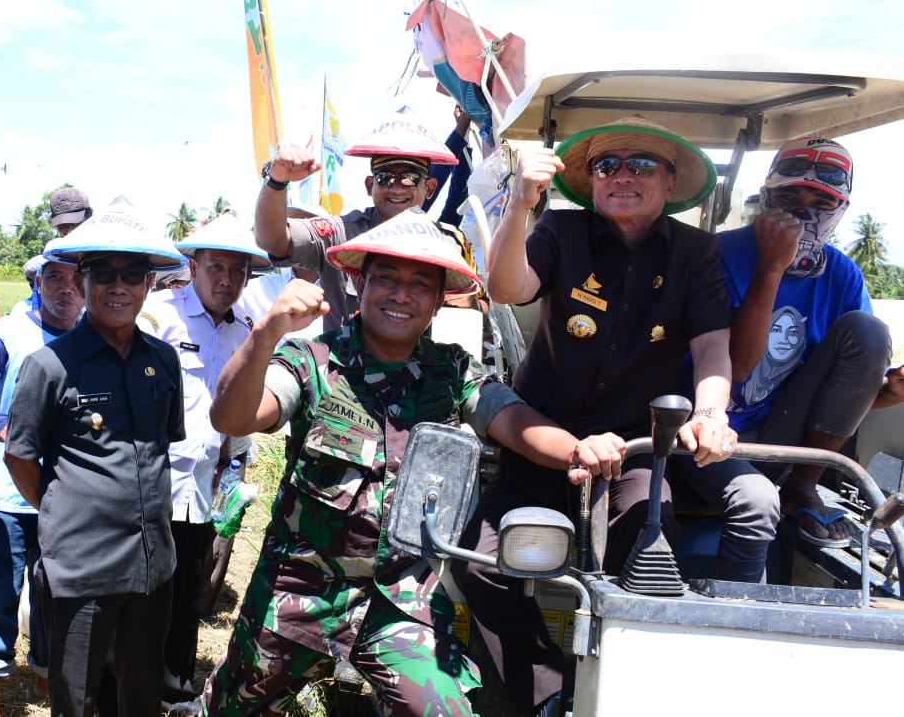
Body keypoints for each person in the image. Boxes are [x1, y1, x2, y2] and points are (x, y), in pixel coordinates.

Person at [200, 211, 627, 716]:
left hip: (399, 600)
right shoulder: (313, 360)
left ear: (439, 299)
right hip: (297, 595)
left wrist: (577, 449)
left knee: (442, 709)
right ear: (361, 284)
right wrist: (265, 333)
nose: (401, 295)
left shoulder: (451, 372)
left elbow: (514, 421)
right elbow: (234, 417)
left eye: (420, 284)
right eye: (386, 279)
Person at [455, 117, 741, 713]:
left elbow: (713, 347)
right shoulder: (561, 230)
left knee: (648, 551)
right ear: (591, 181)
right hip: (544, 439)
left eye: (642, 166)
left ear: (670, 184)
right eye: (609, 165)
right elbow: (508, 287)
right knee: (481, 560)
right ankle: (554, 694)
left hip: (635, 451)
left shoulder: (696, 252)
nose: (622, 176)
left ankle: (635, 693)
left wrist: (712, 412)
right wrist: (518, 207)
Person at [3, 203, 187, 717]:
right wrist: (68, 512)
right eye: (103, 273)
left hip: (152, 564)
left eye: (132, 275)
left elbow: (162, 448)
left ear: (149, 283)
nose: (118, 286)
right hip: (81, 568)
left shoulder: (162, 360)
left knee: (141, 696)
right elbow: (21, 459)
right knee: (77, 699)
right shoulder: (49, 366)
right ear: (82, 281)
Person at [714, 136, 904, 547]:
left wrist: (889, 391)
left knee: (869, 331)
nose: (803, 213)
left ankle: (804, 484)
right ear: (766, 197)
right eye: (788, 197)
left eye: (821, 203)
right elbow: (737, 369)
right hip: (708, 432)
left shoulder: (843, 275)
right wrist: (771, 268)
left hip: (783, 435)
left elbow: (844, 391)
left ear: (841, 211)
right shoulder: (717, 255)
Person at [135, 212, 269, 708]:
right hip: (150, 482)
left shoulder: (244, 333)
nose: (227, 280)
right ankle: (130, 688)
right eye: (217, 267)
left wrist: (236, 466)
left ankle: (176, 687)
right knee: (144, 594)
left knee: (188, 590)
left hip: (203, 486)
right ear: (193, 266)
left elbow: (239, 408)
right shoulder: (159, 315)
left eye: (239, 271)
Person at [0, 250, 83, 716]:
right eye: (55, 278)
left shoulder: (95, 338)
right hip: (6, 497)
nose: (66, 288)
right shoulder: (6, 335)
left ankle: (44, 686)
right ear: (37, 284)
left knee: (55, 600)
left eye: (75, 278)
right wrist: (13, 429)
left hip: (67, 499)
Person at [254, 111, 458, 331]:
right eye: (385, 178)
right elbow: (272, 241)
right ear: (370, 186)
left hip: (415, 364)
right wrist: (277, 181)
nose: (397, 187)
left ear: (429, 188)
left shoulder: (447, 243)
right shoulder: (339, 234)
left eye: (410, 178)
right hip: (342, 363)